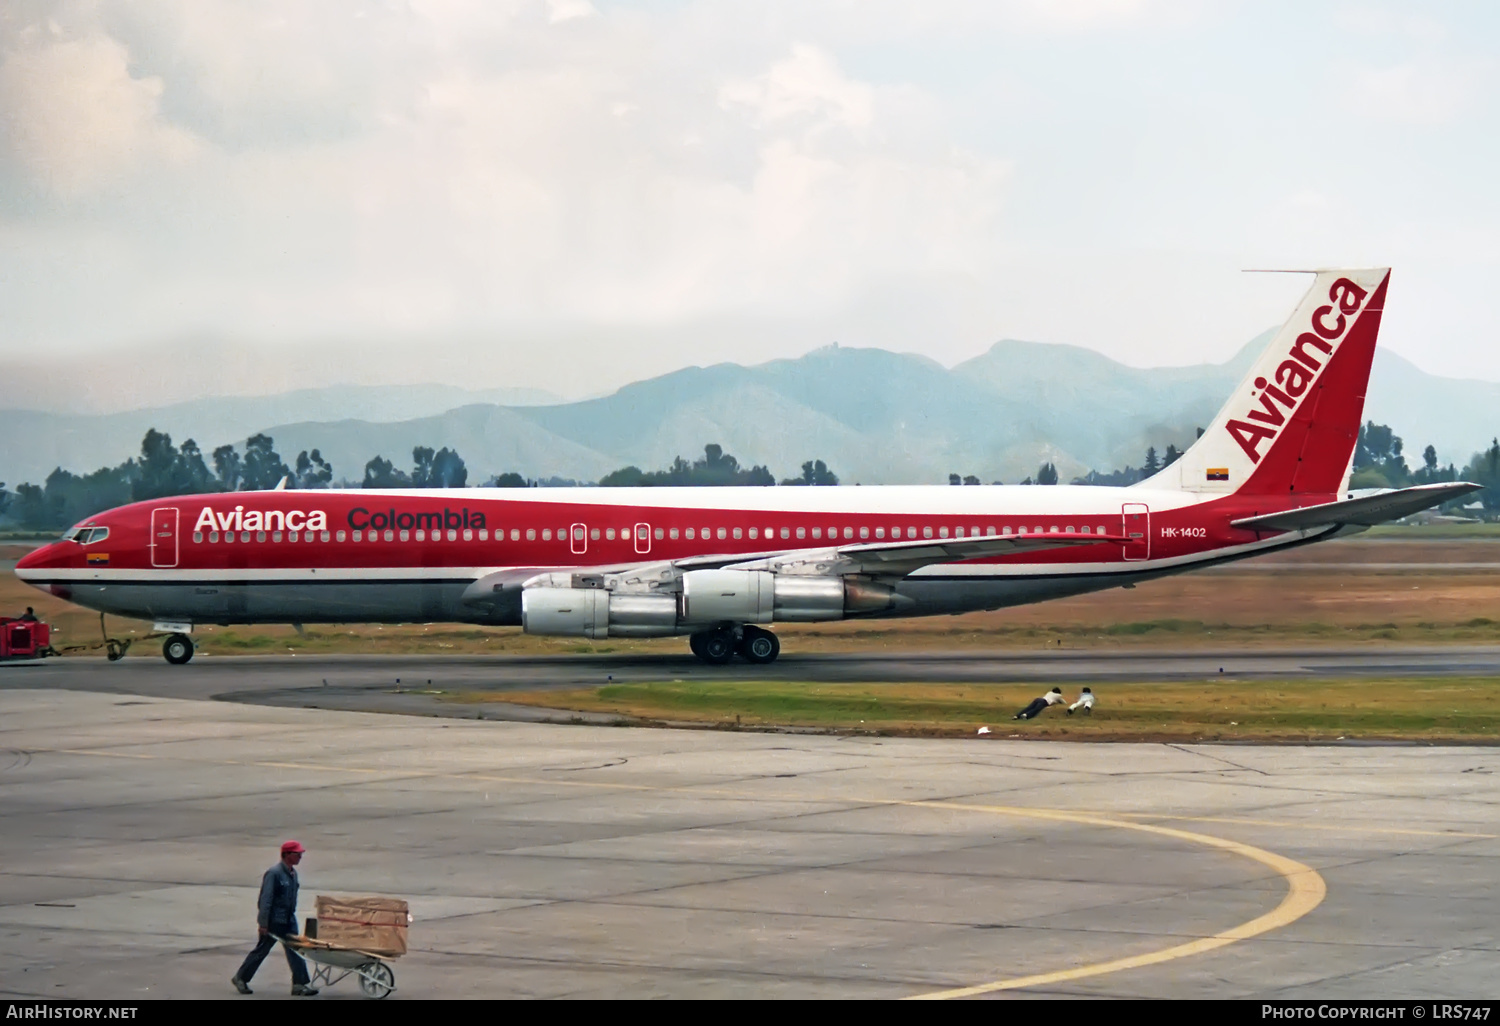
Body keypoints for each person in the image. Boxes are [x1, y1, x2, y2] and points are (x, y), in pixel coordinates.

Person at [232, 840, 318, 996]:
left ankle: (299, 984)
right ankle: (241, 977)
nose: (300, 857)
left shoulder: (293, 873)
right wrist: (263, 923)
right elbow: (265, 899)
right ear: (287, 855)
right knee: (261, 951)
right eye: (297, 854)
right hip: (274, 921)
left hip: (288, 920)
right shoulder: (274, 873)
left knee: (296, 950)